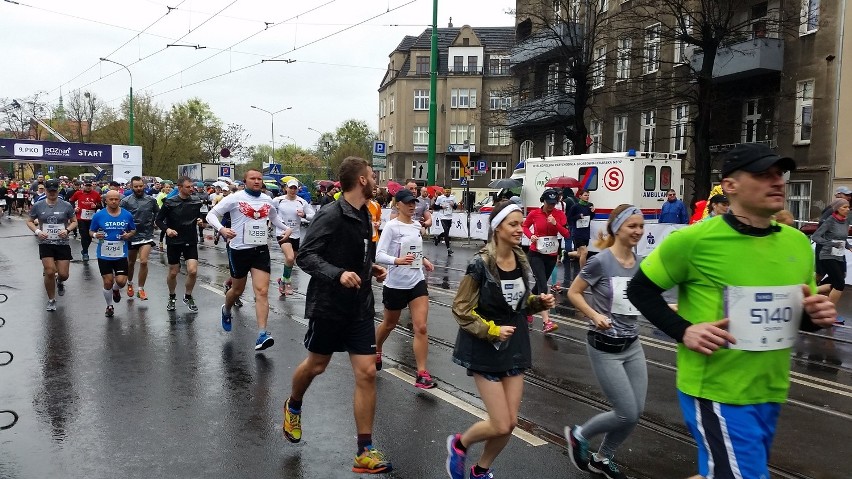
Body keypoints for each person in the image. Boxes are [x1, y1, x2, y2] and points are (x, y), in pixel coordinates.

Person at [626, 143, 837, 479]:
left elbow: (798, 316)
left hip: (770, 387)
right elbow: (638, 289)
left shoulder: (796, 242)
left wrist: (815, 315)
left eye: (778, 174)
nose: (778, 182)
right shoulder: (694, 241)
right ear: (731, 185)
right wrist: (684, 330)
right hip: (716, 389)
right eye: (763, 175)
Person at [282, 156, 392, 474]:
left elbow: (356, 252)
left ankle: (364, 451)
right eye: (372, 176)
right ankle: (294, 405)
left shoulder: (366, 213)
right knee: (317, 365)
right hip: (329, 306)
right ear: (361, 181)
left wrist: (371, 268)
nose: (376, 181)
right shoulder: (330, 214)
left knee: (367, 373)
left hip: (359, 307)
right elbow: (307, 256)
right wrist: (338, 273)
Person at [446, 201, 555, 479]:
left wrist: (537, 303)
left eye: (521, 223)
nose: (521, 229)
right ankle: (460, 444)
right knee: (500, 422)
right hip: (485, 347)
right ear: (498, 229)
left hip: (514, 346)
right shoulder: (480, 264)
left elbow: (517, 305)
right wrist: (492, 330)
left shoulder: (520, 259)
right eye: (514, 224)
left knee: (510, 424)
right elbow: (461, 308)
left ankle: (480, 470)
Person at [565, 205, 647, 479]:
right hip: (604, 346)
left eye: (641, 226)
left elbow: (641, 302)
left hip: (632, 345)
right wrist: (594, 315)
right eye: (632, 226)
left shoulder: (639, 262)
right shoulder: (600, 261)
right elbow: (574, 292)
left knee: (635, 412)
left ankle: (602, 458)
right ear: (617, 228)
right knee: (625, 412)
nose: (638, 231)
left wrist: (670, 309)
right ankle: (580, 435)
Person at [207, 169, 290, 350]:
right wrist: (222, 229)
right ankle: (226, 309)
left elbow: (274, 218)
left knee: (261, 291)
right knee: (237, 290)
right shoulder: (235, 198)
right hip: (238, 249)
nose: (257, 181)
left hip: (260, 250)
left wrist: (286, 228)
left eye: (259, 179)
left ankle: (262, 334)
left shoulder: (267, 200)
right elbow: (211, 215)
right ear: (245, 181)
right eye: (253, 178)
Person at [374, 189, 436, 388]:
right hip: (395, 283)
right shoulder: (391, 227)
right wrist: (397, 261)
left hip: (416, 281)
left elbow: (414, 251)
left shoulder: (417, 226)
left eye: (414, 202)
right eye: (408, 202)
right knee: (389, 324)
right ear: (397, 204)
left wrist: (424, 260)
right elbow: (379, 255)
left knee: (422, 327)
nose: (412, 206)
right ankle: (376, 348)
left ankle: (422, 373)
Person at [155, 177, 206, 312]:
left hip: (190, 239)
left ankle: (188, 296)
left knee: (193, 271)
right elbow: (158, 220)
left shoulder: (196, 201)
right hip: (175, 240)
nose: (192, 189)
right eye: (188, 187)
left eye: (192, 186)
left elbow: (201, 217)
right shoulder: (169, 202)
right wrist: (168, 230)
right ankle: (172, 297)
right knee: (173, 272)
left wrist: (201, 221)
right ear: (180, 187)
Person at [523, 188, 570, 333]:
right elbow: (525, 226)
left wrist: (556, 224)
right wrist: (531, 236)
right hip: (536, 254)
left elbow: (567, 234)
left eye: (553, 203)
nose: (551, 206)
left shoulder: (559, 214)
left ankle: (527, 309)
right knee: (543, 286)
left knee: (538, 286)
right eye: (548, 203)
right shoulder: (534, 213)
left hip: (551, 255)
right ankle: (546, 322)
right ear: (543, 200)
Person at [26, 180, 78, 311]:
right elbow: (29, 221)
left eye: (54, 190)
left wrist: (67, 230)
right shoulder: (38, 205)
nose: (52, 193)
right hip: (46, 242)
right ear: (46, 191)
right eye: (50, 191)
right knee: (49, 271)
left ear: (58, 190)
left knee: (64, 274)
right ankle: (51, 300)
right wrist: (38, 231)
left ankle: (60, 281)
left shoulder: (66, 205)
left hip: (62, 243)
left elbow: (74, 222)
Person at [89, 190, 136, 317]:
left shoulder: (127, 215)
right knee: (108, 281)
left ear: (120, 200)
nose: (114, 201)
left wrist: (128, 235)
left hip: (121, 253)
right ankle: (109, 306)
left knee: (121, 282)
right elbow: (91, 231)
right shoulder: (98, 216)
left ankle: (116, 290)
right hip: (104, 254)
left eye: (116, 199)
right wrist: (95, 235)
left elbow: (133, 230)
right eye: (111, 199)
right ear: (106, 201)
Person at [811, 198, 852, 325]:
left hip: (839, 254)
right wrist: (829, 243)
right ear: (837, 209)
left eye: (848, 207)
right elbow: (816, 236)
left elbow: (843, 239)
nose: (847, 209)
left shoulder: (845, 222)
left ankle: (812, 290)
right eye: (844, 207)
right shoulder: (830, 221)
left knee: (838, 280)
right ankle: (829, 312)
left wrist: (849, 248)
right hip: (827, 255)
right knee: (839, 284)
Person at [273, 179, 316, 296]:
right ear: (285, 188)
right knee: (290, 257)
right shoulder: (278, 200)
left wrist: (304, 215)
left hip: (295, 234)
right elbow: (270, 212)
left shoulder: (302, 202)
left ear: (298, 189)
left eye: (294, 188)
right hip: (282, 232)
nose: (292, 190)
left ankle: (282, 279)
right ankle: (287, 282)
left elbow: (313, 216)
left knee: (290, 261)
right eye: (290, 188)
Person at [121, 176, 159, 301]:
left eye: (140, 186)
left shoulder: (150, 200)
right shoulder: (126, 201)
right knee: (131, 263)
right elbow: (120, 216)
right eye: (136, 186)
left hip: (146, 235)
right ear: (131, 187)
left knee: (143, 261)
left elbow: (157, 213)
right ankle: (130, 283)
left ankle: (141, 289)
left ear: (144, 186)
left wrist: (155, 222)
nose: (138, 188)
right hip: (131, 235)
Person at [69, 180, 103, 262]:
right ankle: (85, 253)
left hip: (92, 218)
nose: (88, 187)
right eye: (86, 185)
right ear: (83, 186)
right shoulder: (78, 193)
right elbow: (71, 201)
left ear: (92, 186)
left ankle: (84, 249)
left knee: (90, 236)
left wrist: (96, 206)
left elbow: (100, 205)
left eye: (89, 186)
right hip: (81, 218)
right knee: (84, 235)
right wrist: (74, 208)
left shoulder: (96, 194)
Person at [568, 189, 595, 268]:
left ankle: (567, 253)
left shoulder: (590, 205)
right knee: (585, 252)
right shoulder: (575, 207)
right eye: (585, 195)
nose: (587, 197)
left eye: (588, 195)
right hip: (577, 233)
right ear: (580, 196)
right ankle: (583, 273)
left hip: (586, 232)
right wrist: (578, 216)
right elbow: (569, 218)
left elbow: (591, 217)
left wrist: (593, 212)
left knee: (580, 253)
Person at [433, 187, 457, 255]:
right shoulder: (440, 198)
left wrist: (453, 205)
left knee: (447, 232)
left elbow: (455, 207)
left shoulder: (453, 197)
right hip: (442, 216)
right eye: (446, 192)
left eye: (448, 192)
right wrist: (441, 207)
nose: (447, 193)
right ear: (444, 192)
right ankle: (448, 249)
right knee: (446, 232)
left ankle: (438, 237)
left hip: (449, 216)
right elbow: (435, 207)